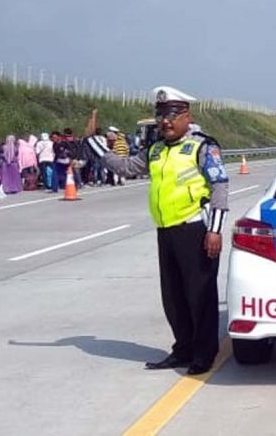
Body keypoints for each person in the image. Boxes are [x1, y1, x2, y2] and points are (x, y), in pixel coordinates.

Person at [83, 86, 229, 376]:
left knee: (199, 296)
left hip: (195, 230)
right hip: (166, 231)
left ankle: (203, 355)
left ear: (187, 116)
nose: (165, 121)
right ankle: (183, 350)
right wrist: (93, 143)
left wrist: (215, 230)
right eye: (161, 115)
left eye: (172, 115)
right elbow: (125, 167)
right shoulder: (156, 149)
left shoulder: (202, 147)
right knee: (173, 297)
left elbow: (220, 186)